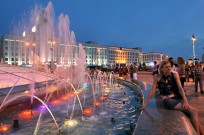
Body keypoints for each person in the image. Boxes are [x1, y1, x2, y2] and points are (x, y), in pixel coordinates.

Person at [141, 60, 204, 135]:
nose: (169, 68)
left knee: (193, 115)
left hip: (176, 98)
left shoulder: (174, 74)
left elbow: (180, 88)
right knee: (194, 111)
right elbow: (152, 91)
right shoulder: (157, 76)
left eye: (170, 66)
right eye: (166, 67)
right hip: (168, 101)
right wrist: (145, 103)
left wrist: (185, 101)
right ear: (161, 69)